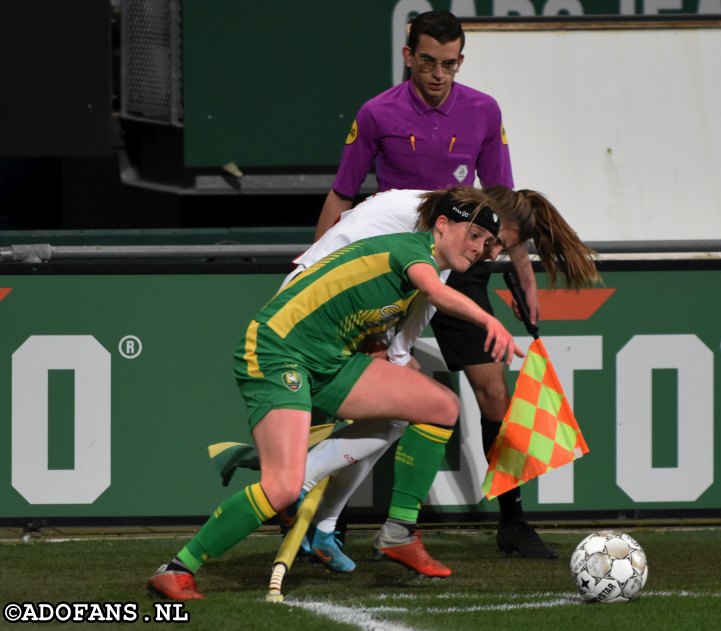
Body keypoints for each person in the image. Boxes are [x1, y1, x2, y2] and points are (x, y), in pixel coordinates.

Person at [146, 190, 524, 600]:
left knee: (440, 406)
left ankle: (398, 532)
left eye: (486, 241)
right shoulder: (411, 252)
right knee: (283, 488)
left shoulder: (431, 271)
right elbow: (432, 289)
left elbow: (410, 319)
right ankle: (178, 567)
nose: (479, 248)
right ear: (442, 225)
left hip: (331, 362)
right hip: (277, 352)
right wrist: (490, 321)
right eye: (473, 234)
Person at [312, 8, 554, 567]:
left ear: (460, 61)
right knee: (362, 391)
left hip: (463, 267)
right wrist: (321, 268)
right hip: (394, 269)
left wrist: (525, 276)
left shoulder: (484, 111)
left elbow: (504, 207)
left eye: (449, 63)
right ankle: (333, 523)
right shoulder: (377, 113)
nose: (438, 73)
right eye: (428, 61)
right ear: (408, 56)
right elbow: (342, 196)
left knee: (495, 392)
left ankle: (513, 521)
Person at [291, 187, 599, 577]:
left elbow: (419, 304)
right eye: (496, 243)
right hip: (316, 311)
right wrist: (393, 348)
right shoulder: (422, 219)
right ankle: (303, 491)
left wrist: (398, 355)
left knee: (406, 409)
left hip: (345, 309)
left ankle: (327, 525)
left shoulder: (451, 244)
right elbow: (351, 267)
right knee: (390, 410)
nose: (491, 254)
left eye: (498, 248)